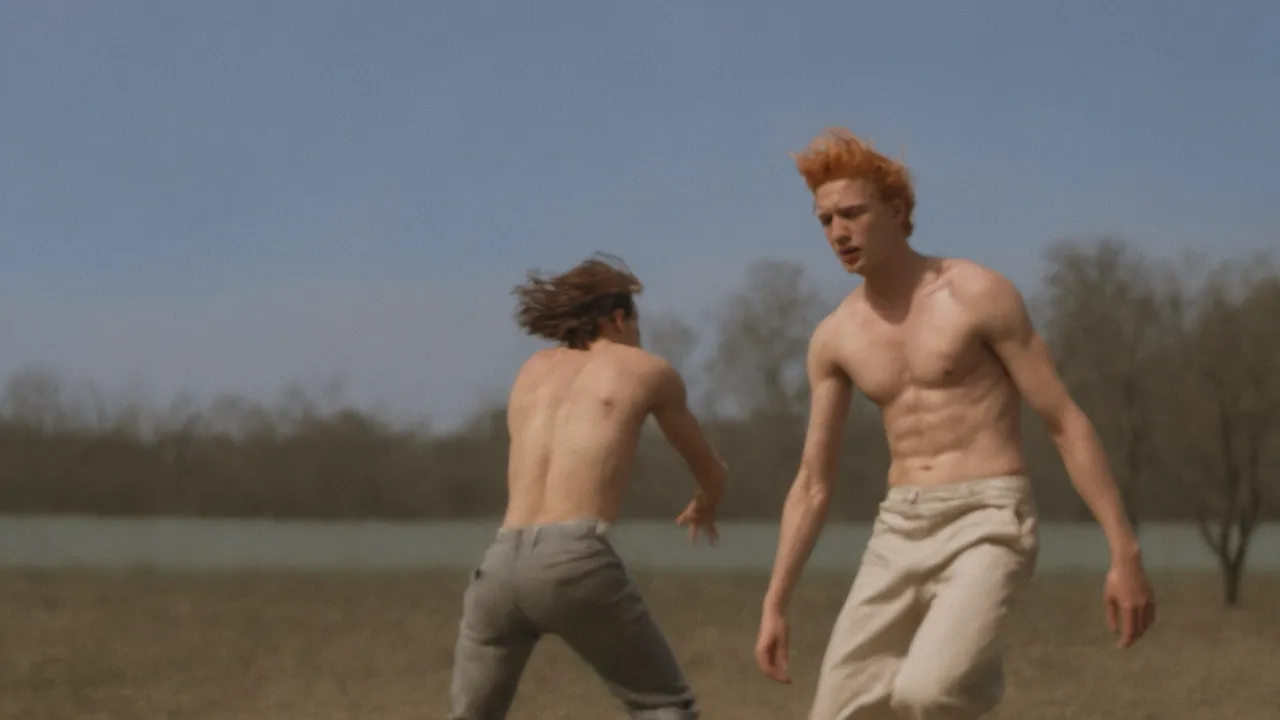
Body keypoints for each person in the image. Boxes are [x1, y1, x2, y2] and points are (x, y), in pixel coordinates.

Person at [753, 128, 1157, 719]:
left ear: (897, 212)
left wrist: (1125, 550)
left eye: (853, 213)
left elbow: (1063, 421)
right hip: (898, 527)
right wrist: (775, 602)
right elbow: (813, 482)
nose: (838, 232)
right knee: (835, 713)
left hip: (987, 519)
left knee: (929, 692)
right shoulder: (835, 337)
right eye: (825, 220)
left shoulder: (977, 295)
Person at [448, 253, 728, 720]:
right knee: (662, 702)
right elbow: (710, 468)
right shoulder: (644, 369)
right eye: (636, 323)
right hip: (573, 559)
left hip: (498, 566)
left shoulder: (532, 369)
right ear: (618, 318)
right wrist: (707, 502)